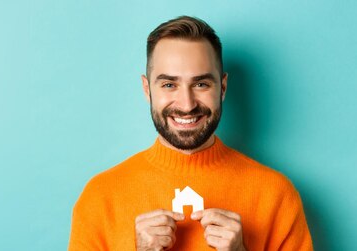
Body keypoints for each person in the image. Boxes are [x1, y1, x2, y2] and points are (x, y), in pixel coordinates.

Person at [68, 16, 313, 250]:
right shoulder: (100, 197)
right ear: (147, 89)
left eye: (201, 84)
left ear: (223, 88)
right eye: (169, 85)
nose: (186, 105)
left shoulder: (276, 195)